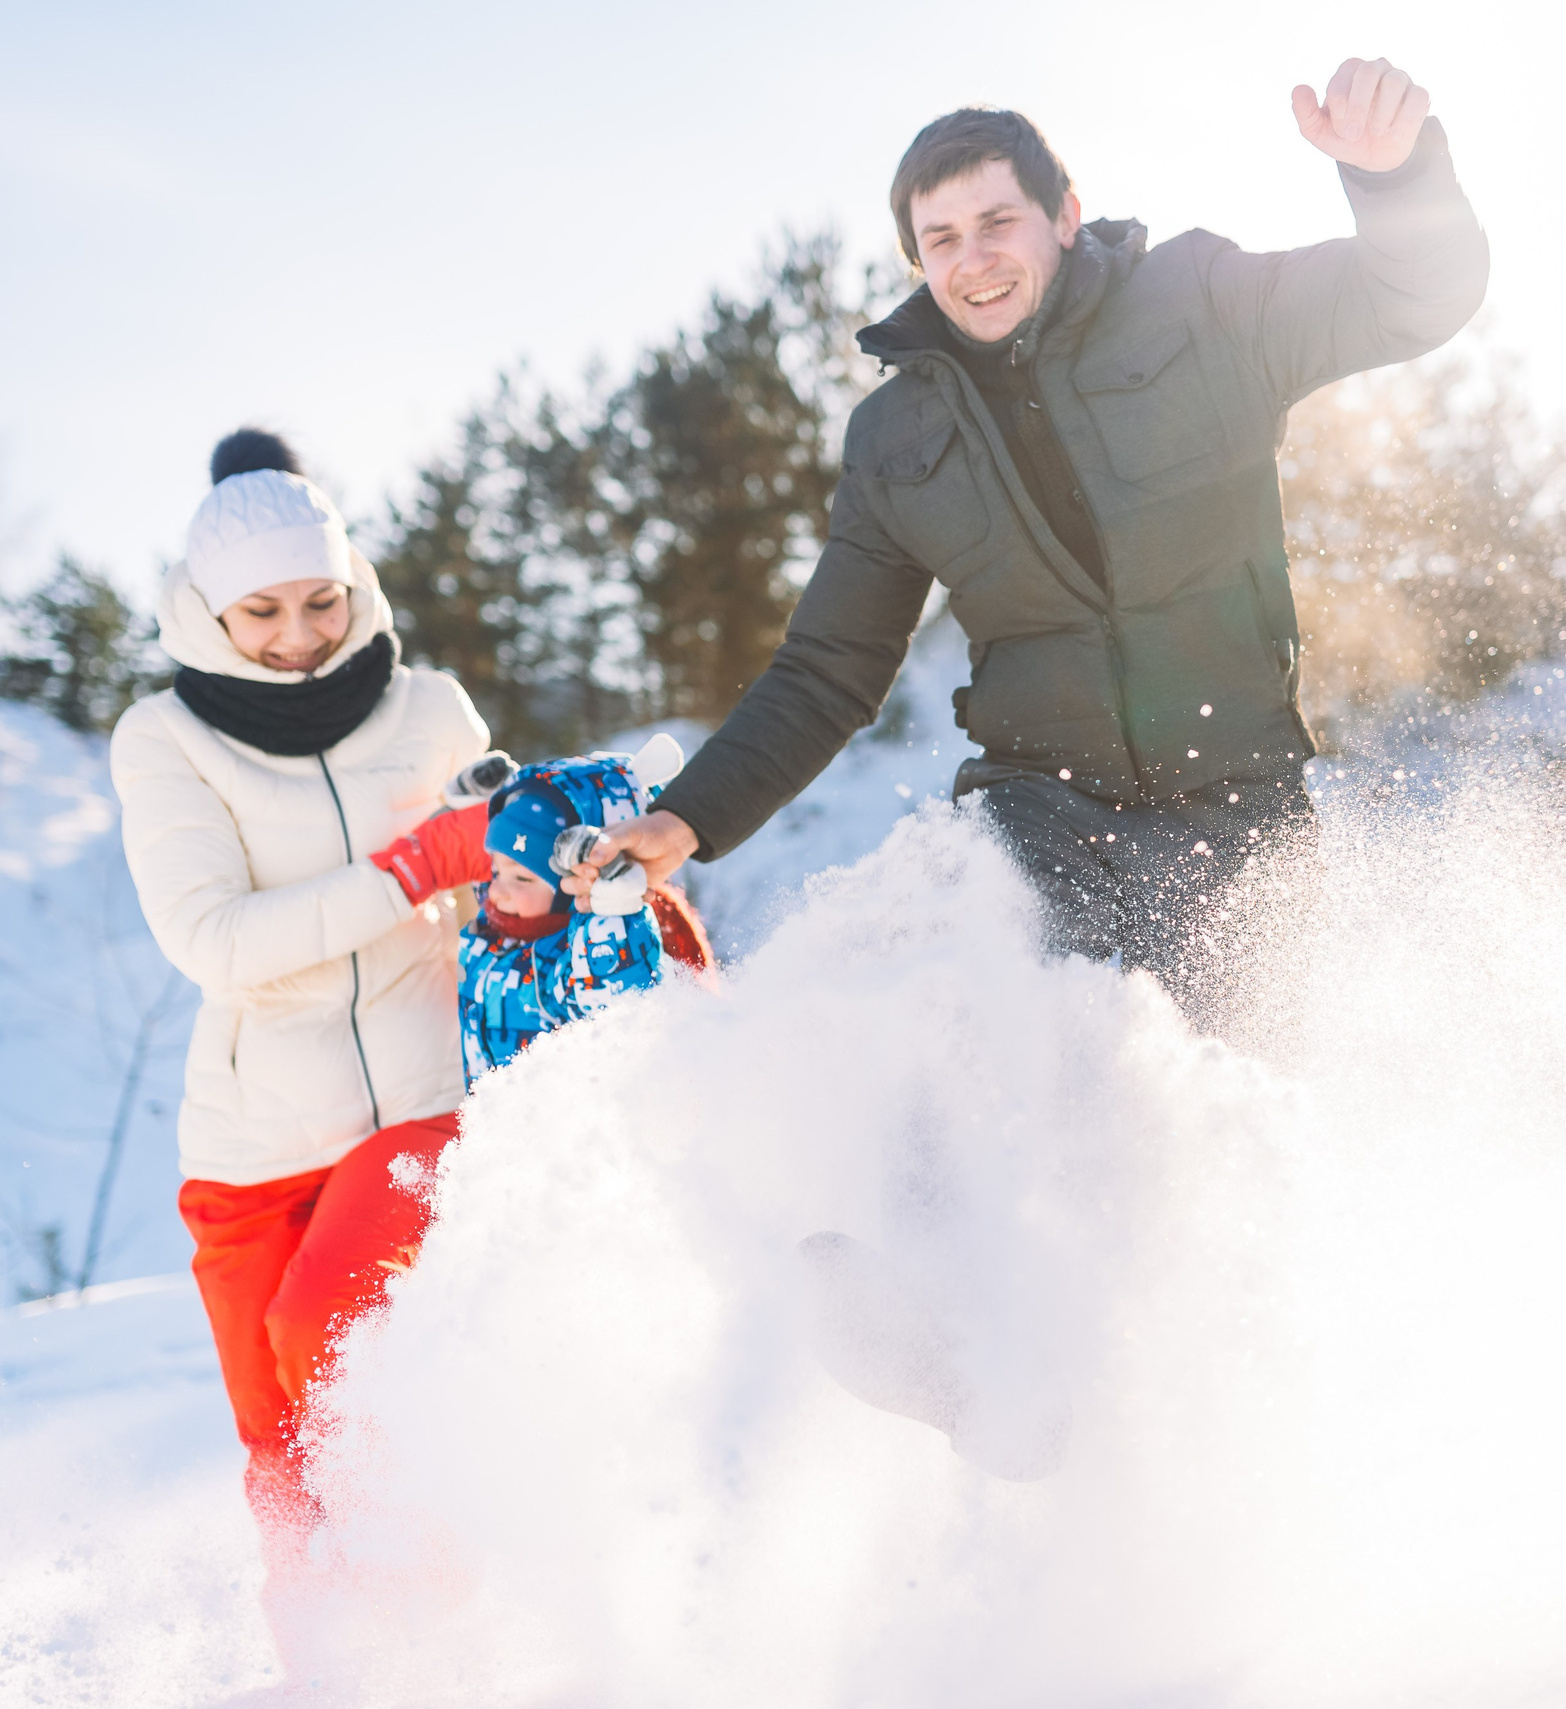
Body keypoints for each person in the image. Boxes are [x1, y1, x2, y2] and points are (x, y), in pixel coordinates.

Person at [568, 59, 1488, 1009]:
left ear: (1064, 215)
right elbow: (827, 670)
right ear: (919, 261)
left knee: (1232, 1088)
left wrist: (1394, 178)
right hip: (1037, 807)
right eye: (943, 239)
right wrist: (689, 817)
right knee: (1052, 1066)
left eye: (997, 222)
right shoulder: (895, 440)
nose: (974, 260)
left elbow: (1409, 297)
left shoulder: (1200, 301)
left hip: (1237, 794)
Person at [109, 428, 497, 1548]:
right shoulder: (166, 739)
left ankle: (435, 1624)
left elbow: (484, 889)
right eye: (263, 612)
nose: (299, 638)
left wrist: (509, 877)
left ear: (352, 582)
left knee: (332, 1337)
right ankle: (329, 1661)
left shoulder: (431, 711)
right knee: (284, 1451)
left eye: (320, 602)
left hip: (423, 1099)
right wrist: (409, 867)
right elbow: (214, 940)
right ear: (209, 611)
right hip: (253, 1147)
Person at [458, 745, 717, 1086]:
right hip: (491, 1128)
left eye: (522, 877)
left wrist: (613, 906)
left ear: (581, 881)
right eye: (496, 870)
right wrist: (464, 800)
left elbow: (618, 991)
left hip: (563, 1132)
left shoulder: (572, 963)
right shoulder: (498, 929)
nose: (496, 891)